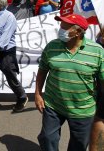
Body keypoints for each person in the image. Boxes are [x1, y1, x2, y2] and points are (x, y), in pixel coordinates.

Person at [35, 14, 104, 151]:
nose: (60, 29)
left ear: (78, 32)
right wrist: (37, 94)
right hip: (53, 105)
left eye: (65, 27)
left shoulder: (97, 52)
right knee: (47, 138)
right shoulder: (52, 47)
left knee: (78, 145)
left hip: (83, 110)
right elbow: (42, 70)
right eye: (61, 25)